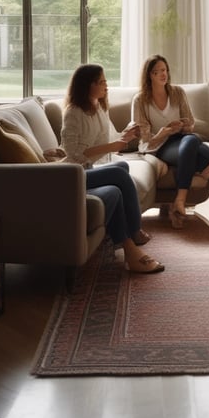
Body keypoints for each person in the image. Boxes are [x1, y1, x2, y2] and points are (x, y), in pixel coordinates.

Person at [61, 63, 164, 274]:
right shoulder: (73, 113)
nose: (106, 86)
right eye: (101, 82)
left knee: (121, 169)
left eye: (105, 81)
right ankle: (134, 231)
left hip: (89, 169)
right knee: (118, 172)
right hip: (73, 174)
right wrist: (113, 146)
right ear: (87, 85)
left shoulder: (98, 107)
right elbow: (73, 154)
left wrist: (127, 134)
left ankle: (128, 244)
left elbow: (112, 138)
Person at [132, 55, 209, 228]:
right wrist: (163, 133)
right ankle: (187, 190)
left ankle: (179, 200)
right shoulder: (140, 100)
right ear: (150, 75)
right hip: (160, 145)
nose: (163, 74)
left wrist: (184, 125)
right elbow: (144, 138)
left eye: (164, 70)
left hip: (182, 138)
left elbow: (190, 122)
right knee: (206, 155)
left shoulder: (177, 92)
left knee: (191, 141)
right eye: (157, 72)